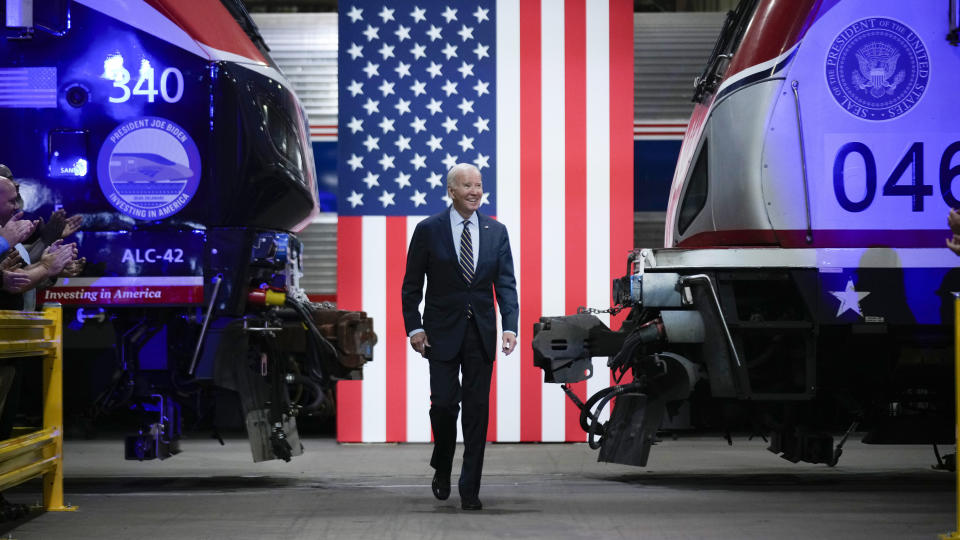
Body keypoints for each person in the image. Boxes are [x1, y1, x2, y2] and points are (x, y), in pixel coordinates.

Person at [401, 163, 518, 511]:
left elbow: (506, 285)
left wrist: (509, 325)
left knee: (477, 412)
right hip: (440, 334)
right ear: (451, 191)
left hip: (481, 333)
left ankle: (470, 489)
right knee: (445, 405)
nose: (475, 192)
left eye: (479, 185)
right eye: (467, 185)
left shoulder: (496, 231)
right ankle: (443, 462)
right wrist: (415, 327)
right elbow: (411, 287)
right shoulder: (428, 230)